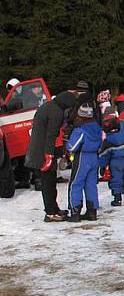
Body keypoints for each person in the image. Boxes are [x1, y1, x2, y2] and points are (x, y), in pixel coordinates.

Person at [24, 91, 78, 222]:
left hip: (37, 149)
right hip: (44, 152)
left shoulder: (48, 106)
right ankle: (50, 213)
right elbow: (51, 135)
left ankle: (53, 209)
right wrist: (49, 155)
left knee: (50, 182)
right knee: (48, 183)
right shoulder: (57, 112)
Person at [65, 103, 102, 221]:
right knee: (91, 185)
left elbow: (72, 146)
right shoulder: (97, 128)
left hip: (82, 157)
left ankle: (75, 211)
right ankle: (92, 211)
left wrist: (68, 145)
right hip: (94, 158)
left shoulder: (80, 130)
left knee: (76, 184)